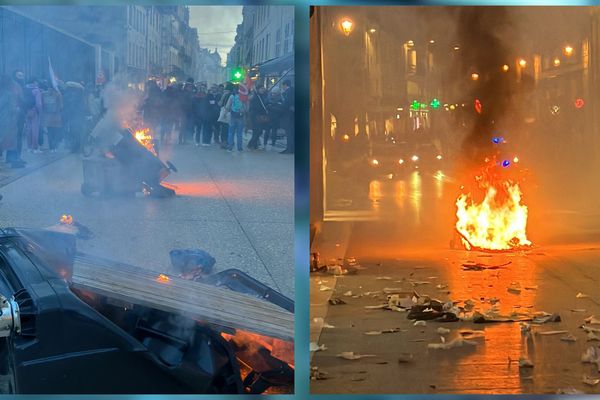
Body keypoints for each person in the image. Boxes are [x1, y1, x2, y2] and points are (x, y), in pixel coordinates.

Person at [6, 70, 27, 168]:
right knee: (16, 137)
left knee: (16, 137)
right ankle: (14, 158)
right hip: (15, 116)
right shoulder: (15, 87)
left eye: (22, 75)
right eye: (19, 75)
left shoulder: (20, 86)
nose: (21, 77)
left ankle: (13, 157)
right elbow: (15, 100)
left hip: (18, 115)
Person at [0, 76, 19, 166]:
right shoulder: (9, 94)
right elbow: (13, 109)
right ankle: (13, 160)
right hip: (7, 120)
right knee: (9, 140)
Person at [62, 81, 86, 153]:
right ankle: (77, 147)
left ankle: (74, 148)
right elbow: (82, 105)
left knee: (73, 132)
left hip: (72, 116)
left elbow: (66, 105)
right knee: (77, 132)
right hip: (78, 115)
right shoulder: (80, 93)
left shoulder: (68, 94)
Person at [23, 78, 43, 154]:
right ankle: (35, 148)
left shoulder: (25, 89)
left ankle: (29, 147)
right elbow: (39, 103)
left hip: (27, 111)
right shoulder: (36, 90)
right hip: (34, 111)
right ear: (35, 82)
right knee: (35, 130)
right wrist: (40, 112)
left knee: (29, 129)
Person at [225, 85, 245, 152]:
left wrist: (227, 111)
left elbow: (227, 106)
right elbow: (247, 107)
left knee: (231, 132)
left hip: (233, 115)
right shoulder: (243, 96)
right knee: (239, 133)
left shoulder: (232, 96)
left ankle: (230, 147)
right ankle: (239, 148)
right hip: (241, 116)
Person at [280, 80, 294, 154]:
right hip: (292, 115)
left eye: (283, 86)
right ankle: (292, 148)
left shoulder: (288, 93)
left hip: (288, 115)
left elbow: (286, 104)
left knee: (289, 133)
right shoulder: (293, 91)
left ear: (285, 85)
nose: (282, 87)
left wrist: (279, 106)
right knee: (292, 133)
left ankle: (289, 149)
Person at [217, 82, 233, 149]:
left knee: (224, 129)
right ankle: (227, 142)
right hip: (229, 114)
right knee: (228, 129)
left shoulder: (224, 94)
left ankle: (223, 142)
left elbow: (219, 104)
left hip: (224, 113)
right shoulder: (232, 95)